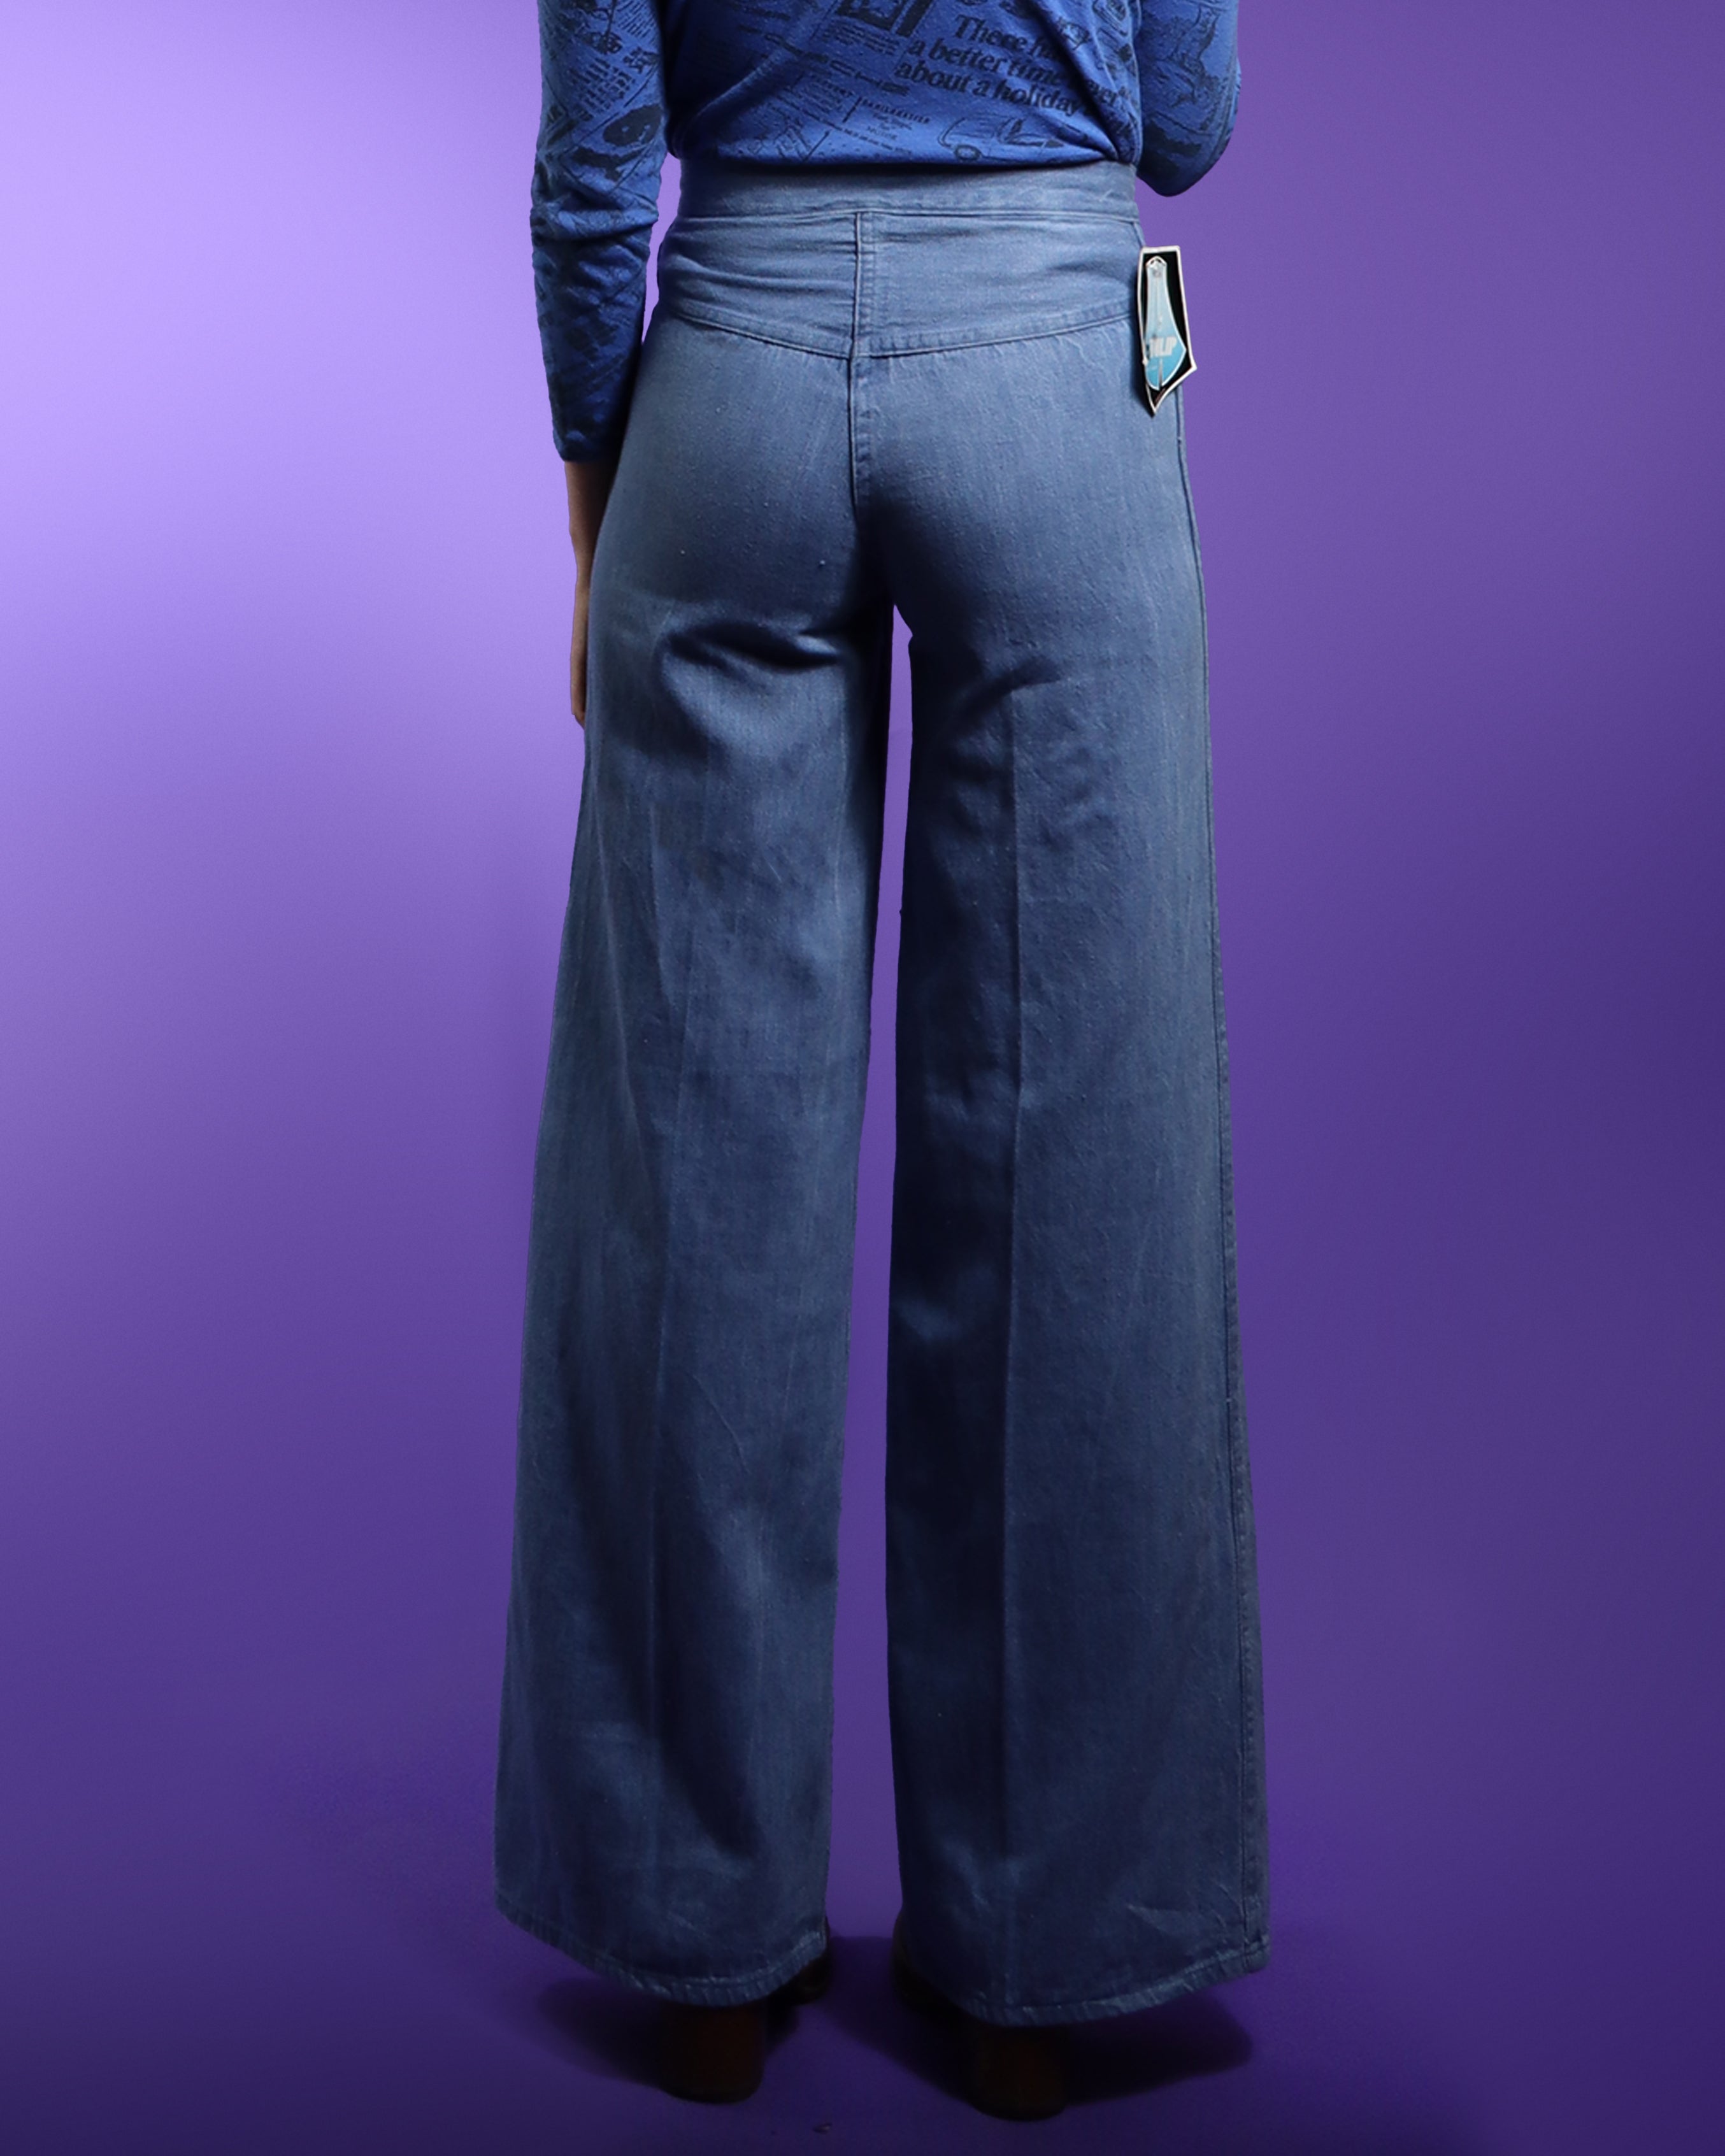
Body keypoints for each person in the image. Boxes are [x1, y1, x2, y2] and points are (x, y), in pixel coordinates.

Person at [494, 0, 1266, 2121]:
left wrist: (596, 501)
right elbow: (1184, 124)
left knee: (698, 1167)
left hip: (730, 376)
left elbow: (595, 165)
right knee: (1071, 1166)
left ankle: (697, 1946)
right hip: (1053, 373)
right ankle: (1039, 1964)